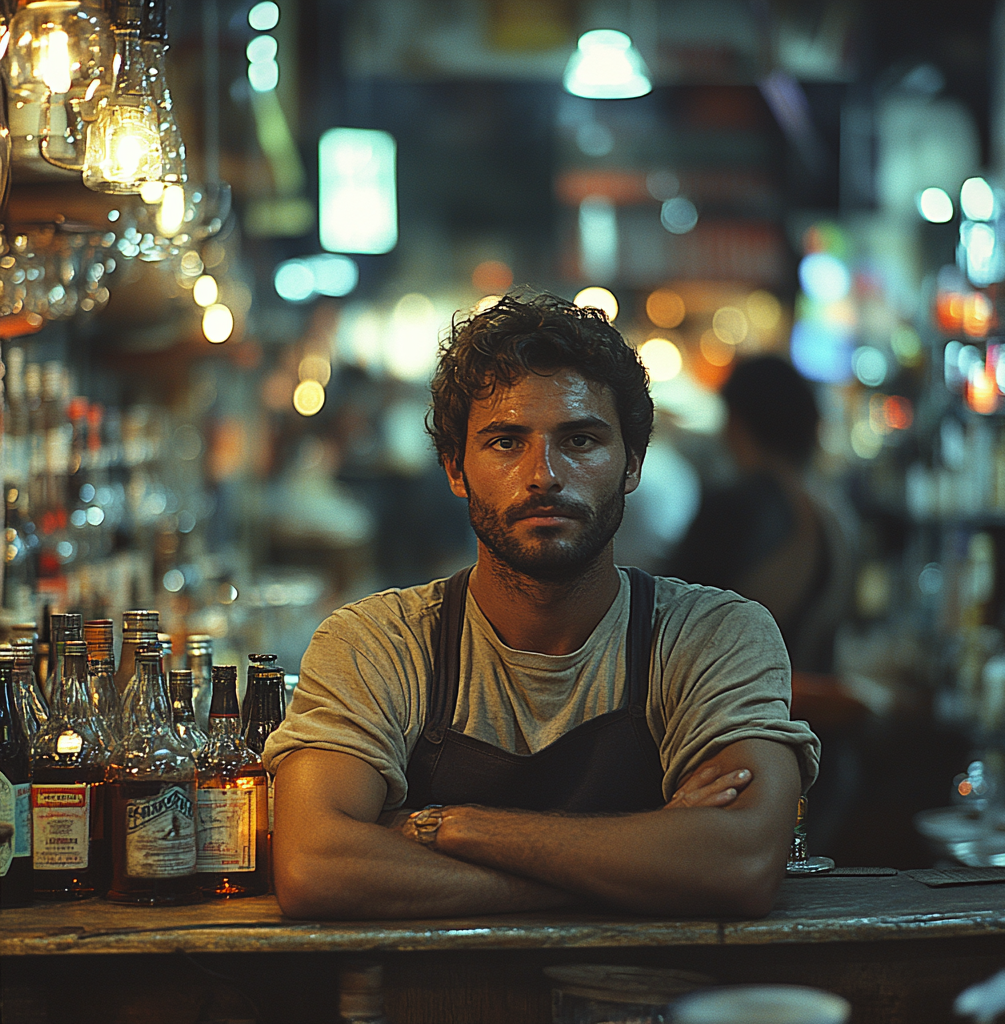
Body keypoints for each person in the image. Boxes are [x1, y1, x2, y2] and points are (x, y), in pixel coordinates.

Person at [265, 293, 820, 921]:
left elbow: (738, 865)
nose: (544, 475)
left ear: (632, 464)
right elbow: (315, 867)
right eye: (505, 442)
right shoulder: (376, 642)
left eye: (580, 440)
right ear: (455, 467)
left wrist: (451, 828)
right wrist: (644, 864)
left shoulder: (714, 636)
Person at [660, 356, 855, 675]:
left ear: (736, 420)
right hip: (794, 709)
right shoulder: (829, 517)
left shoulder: (736, 506)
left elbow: (671, 612)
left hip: (721, 703)